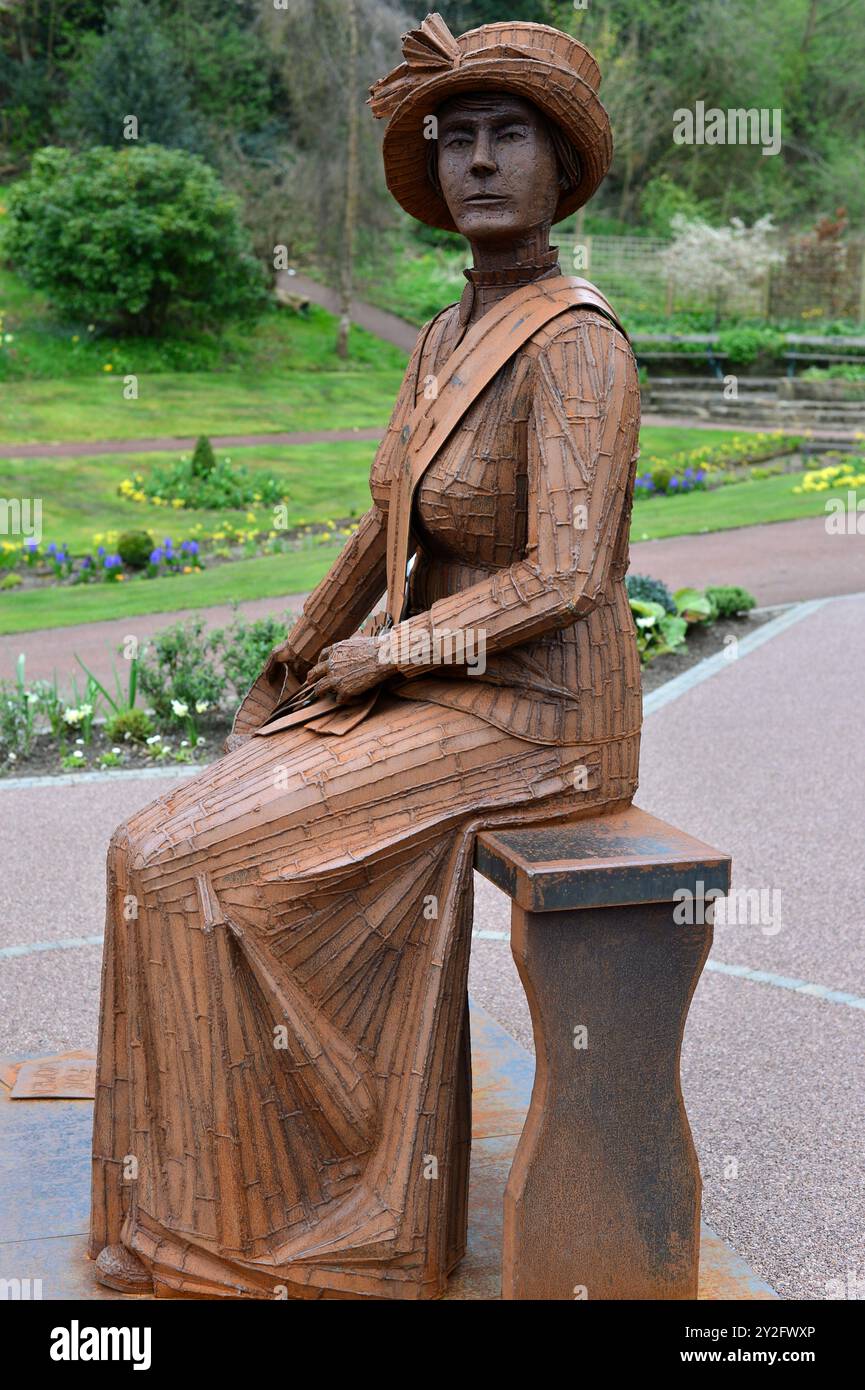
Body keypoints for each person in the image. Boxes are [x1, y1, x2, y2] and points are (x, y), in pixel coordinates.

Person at [90, 13, 642, 1300]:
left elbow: (569, 575)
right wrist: (299, 655)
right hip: (442, 688)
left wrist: (391, 653)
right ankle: (193, 1192)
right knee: (144, 850)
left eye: (511, 137)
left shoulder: (576, 344)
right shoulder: (448, 334)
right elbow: (380, 519)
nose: (479, 163)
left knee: (198, 872)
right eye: (458, 140)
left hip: (541, 719)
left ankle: (304, 1232)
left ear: (561, 168)